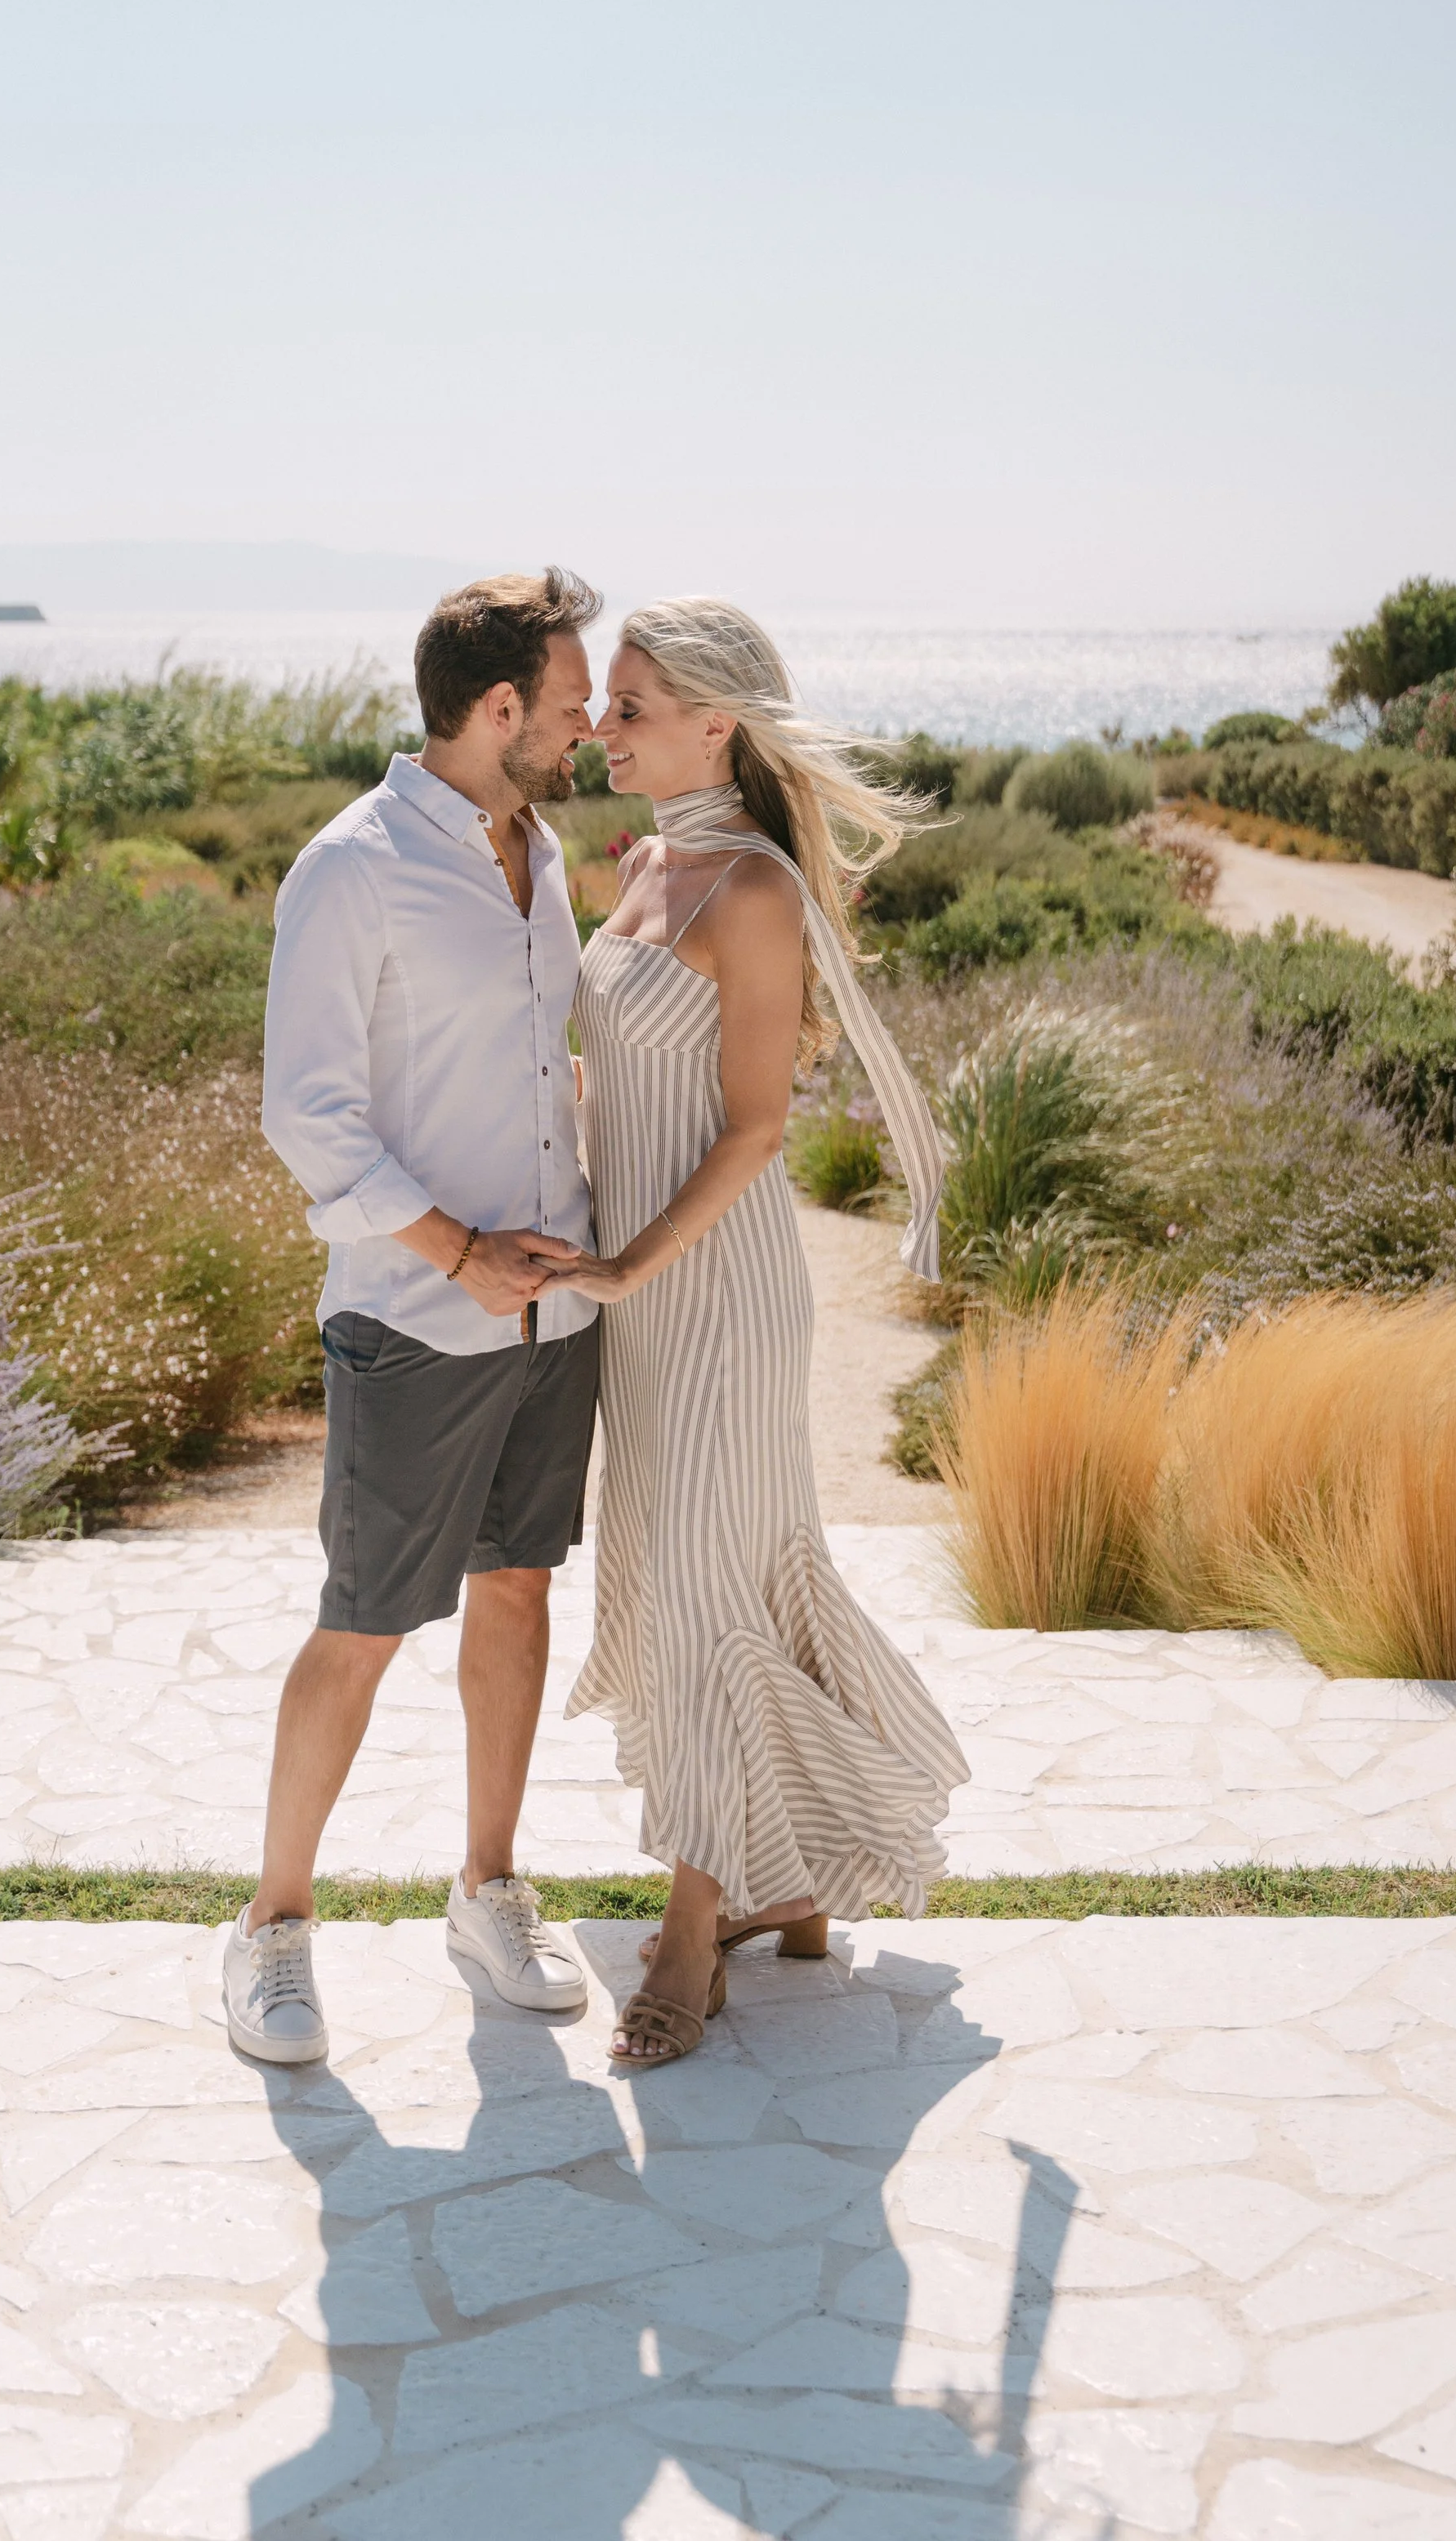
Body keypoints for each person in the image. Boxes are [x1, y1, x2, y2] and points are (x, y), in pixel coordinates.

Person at [546, 597, 968, 2066]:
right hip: (637, 1296)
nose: (602, 727)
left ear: (718, 724)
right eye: (604, 703)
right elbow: (618, 1089)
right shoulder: (649, 864)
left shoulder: (753, 891)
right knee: (672, 1574)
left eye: (634, 704)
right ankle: (779, 1880)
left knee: (723, 1587)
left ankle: (690, 1932)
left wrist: (622, 1267)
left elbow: (754, 1130)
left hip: (715, 1295)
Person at [226, 569, 605, 2065]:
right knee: (365, 1622)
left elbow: (537, 1063)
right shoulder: (354, 866)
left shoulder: (544, 851)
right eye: (570, 705)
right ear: (497, 709)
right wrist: (458, 1253)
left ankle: (490, 1888)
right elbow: (304, 1113)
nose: (584, 730)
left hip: (552, 1321)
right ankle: (271, 1928)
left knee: (520, 1591)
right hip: (414, 1317)